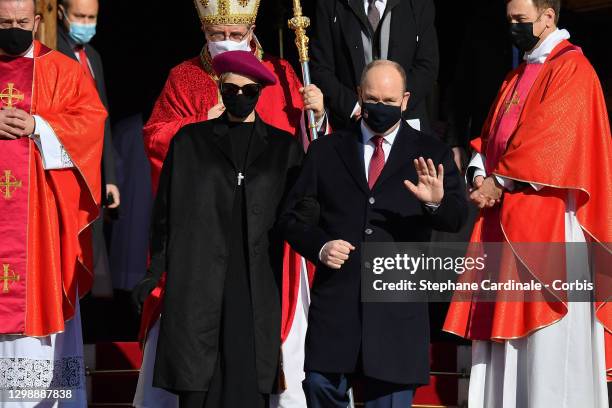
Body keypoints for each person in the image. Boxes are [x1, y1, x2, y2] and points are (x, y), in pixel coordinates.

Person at [133, 1, 327, 407]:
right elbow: (155, 137)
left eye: (234, 35)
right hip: (203, 232)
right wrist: (202, 121)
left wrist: (319, 119)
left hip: (264, 233)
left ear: (252, 27)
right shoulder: (185, 77)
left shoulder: (281, 74)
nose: (225, 42)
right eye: (216, 35)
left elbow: (303, 154)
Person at [443, 0, 612, 407]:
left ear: (548, 16)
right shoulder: (519, 73)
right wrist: (479, 172)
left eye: (521, 20)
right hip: (505, 217)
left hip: (548, 215)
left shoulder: (572, 68)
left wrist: (499, 181)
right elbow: (492, 133)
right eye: (510, 21)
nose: (514, 28)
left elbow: (550, 140)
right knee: (503, 326)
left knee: (546, 336)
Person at [278, 60, 468, 408]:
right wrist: (320, 247)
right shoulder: (326, 151)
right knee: (319, 386)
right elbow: (292, 218)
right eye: (373, 100)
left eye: (389, 101)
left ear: (406, 100)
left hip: (396, 312)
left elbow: (456, 218)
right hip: (337, 305)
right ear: (359, 96)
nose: (380, 108)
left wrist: (436, 203)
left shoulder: (431, 152)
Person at [0, 0, 106, 405]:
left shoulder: (62, 69)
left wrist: (39, 125)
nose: (13, 29)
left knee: (42, 348)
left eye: (21, 23)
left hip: (40, 232)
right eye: (4, 23)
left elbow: (90, 125)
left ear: (37, 21)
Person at [57, 0, 119, 297]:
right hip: (66, 168)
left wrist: (110, 177)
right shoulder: (51, 51)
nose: (86, 23)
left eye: (91, 17)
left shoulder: (92, 55)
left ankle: (91, 333)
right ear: (60, 13)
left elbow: (102, 118)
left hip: (94, 174)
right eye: (79, 16)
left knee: (93, 259)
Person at [310, 0, 438, 132]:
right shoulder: (330, 4)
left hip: (406, 122)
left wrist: (395, 106)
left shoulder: (419, 4)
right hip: (350, 124)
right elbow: (320, 68)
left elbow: (427, 66)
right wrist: (354, 107)